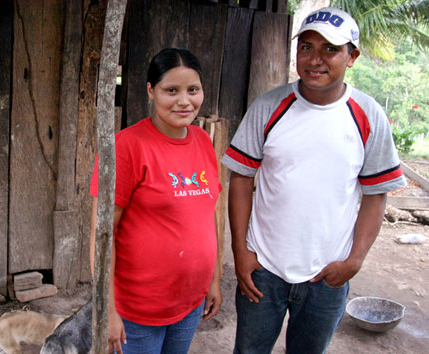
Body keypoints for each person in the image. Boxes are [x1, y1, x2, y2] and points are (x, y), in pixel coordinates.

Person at [221, 7, 407, 354]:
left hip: (328, 275)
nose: (315, 59)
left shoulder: (368, 116)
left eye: (330, 50)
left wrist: (355, 260)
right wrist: (241, 251)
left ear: (352, 56)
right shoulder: (268, 106)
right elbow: (242, 179)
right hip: (264, 268)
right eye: (306, 47)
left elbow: (375, 195)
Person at [90, 48, 223, 354]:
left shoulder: (202, 141)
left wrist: (214, 279)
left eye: (193, 90)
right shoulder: (126, 147)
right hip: (138, 310)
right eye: (171, 90)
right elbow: (101, 236)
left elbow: (207, 218)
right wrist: (108, 311)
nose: (184, 101)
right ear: (151, 91)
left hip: (189, 302)